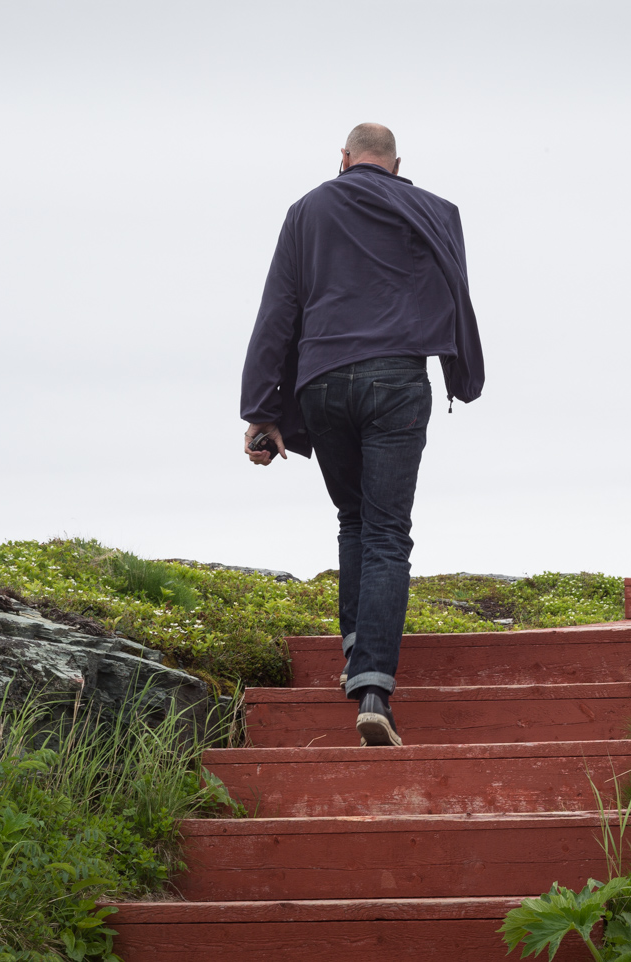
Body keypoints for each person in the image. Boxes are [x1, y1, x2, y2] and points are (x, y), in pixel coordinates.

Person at [240, 123, 484, 747]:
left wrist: (261, 410)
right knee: (385, 530)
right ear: (397, 165)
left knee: (354, 520)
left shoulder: (307, 209)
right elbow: (456, 289)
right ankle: (373, 689)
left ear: (343, 159)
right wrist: (461, 372)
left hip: (321, 382)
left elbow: (279, 309)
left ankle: (355, 654)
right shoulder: (431, 209)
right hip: (398, 381)